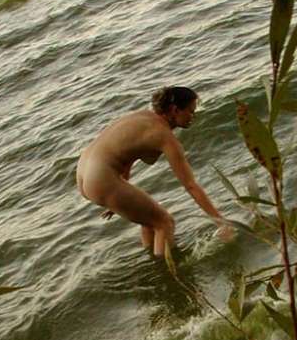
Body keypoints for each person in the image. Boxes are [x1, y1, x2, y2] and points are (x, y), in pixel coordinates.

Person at [76, 86, 232, 257]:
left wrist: (117, 193)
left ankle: (152, 261)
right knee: (164, 223)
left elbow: (126, 156)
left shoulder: (144, 117)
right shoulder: (164, 136)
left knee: (150, 221)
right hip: (101, 178)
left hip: (85, 172)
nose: (193, 116)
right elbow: (190, 186)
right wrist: (221, 222)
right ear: (174, 110)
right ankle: (165, 269)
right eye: (190, 111)